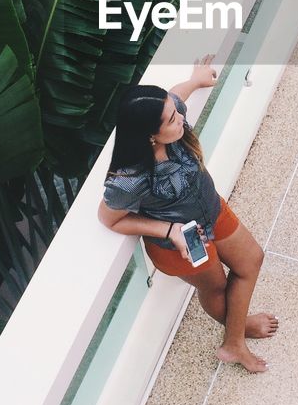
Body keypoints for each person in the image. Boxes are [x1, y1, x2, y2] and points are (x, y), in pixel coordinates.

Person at [98, 56, 276, 372]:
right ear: (150, 136)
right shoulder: (130, 177)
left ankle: (235, 332)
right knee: (217, 287)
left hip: (212, 208)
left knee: (252, 260)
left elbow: (177, 95)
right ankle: (235, 340)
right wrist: (168, 231)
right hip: (182, 240)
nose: (180, 116)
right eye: (171, 119)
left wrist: (195, 80)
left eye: (175, 110)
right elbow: (110, 219)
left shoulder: (172, 118)